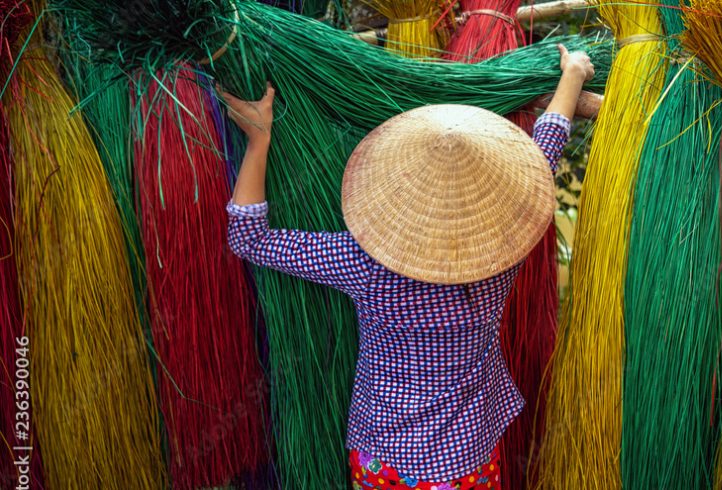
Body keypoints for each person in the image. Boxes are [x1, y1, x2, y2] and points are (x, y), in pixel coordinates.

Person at [221, 44, 595, 489]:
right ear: (484, 206)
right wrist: (572, 75)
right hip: (466, 464)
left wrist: (259, 138)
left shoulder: (361, 261)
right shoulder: (500, 258)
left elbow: (249, 239)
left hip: (385, 463)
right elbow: (542, 157)